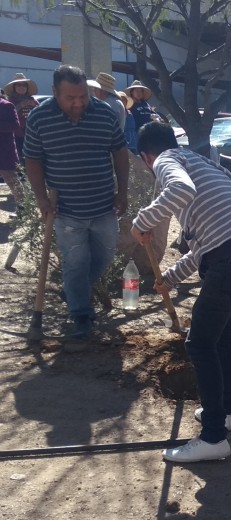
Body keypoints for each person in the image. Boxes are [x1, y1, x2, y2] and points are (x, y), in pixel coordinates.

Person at [131, 121, 231, 462]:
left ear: (146, 157)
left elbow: (180, 192)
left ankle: (212, 439)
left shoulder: (166, 161)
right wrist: (170, 277)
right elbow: (205, 246)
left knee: (200, 343)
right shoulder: (206, 165)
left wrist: (143, 220)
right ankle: (222, 414)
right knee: (222, 337)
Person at [24, 64, 129, 339]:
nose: (79, 102)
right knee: (76, 262)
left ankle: (71, 290)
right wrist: (41, 199)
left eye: (82, 96)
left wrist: (123, 191)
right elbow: (33, 160)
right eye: (71, 98)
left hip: (104, 204)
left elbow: (119, 151)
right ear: (55, 92)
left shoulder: (104, 113)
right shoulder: (39, 118)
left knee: (105, 256)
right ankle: (81, 315)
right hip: (66, 209)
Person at [3, 73, 39, 160]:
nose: (21, 87)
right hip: (17, 135)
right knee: (19, 159)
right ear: (14, 87)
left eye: (24, 85)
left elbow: (40, 112)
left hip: (33, 134)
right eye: (18, 85)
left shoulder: (32, 100)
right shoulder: (10, 100)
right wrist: (20, 105)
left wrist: (35, 106)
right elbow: (9, 115)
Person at [0, 88, 25, 208]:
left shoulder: (7, 105)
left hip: (4, 151)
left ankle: (23, 210)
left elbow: (15, 125)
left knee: (13, 183)